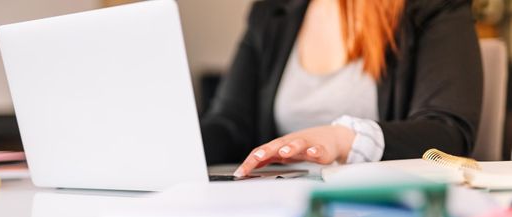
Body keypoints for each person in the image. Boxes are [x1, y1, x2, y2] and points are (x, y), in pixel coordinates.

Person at [199, 0, 483, 177]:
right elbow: (229, 123)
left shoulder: (433, 6)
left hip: (385, 212)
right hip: (282, 211)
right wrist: (170, 145)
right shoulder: (271, 12)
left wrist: (343, 139)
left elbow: (448, 131)